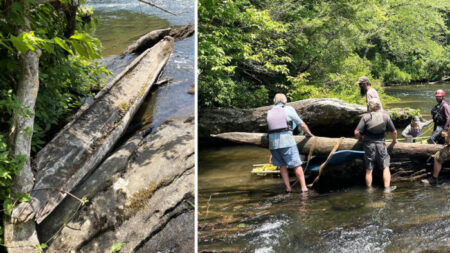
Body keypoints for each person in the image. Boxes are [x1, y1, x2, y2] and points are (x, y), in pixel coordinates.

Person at [267, 93, 314, 193]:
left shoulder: (269, 111)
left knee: (282, 166)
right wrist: (309, 134)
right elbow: (301, 124)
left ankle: (288, 188)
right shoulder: (288, 109)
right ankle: (304, 188)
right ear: (285, 101)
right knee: (297, 164)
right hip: (286, 142)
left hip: (273, 144)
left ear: (274, 101)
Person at [354, 98, 397, 191]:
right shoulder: (386, 116)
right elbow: (394, 132)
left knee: (369, 169)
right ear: (379, 106)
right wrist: (394, 141)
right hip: (381, 144)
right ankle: (387, 189)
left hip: (368, 145)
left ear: (369, 106)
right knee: (385, 167)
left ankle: (369, 190)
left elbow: (356, 132)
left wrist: (361, 139)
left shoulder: (365, 117)